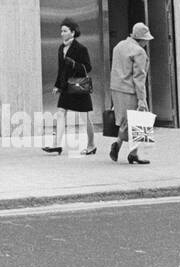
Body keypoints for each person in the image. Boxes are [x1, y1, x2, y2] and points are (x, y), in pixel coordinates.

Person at [42, 18, 96, 156]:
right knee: (60, 113)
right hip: (66, 86)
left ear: (73, 32)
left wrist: (73, 64)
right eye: (61, 31)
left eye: (65, 31)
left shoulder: (81, 48)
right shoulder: (61, 48)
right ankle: (57, 145)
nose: (62, 33)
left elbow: (87, 68)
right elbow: (61, 69)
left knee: (85, 118)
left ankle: (91, 145)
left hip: (79, 86)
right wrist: (57, 85)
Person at [109, 22, 154, 165]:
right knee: (140, 120)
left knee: (125, 120)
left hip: (116, 88)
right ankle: (127, 149)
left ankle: (126, 149)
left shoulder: (119, 46)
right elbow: (139, 77)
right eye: (146, 40)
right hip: (130, 90)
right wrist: (142, 99)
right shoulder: (139, 51)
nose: (147, 42)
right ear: (143, 39)